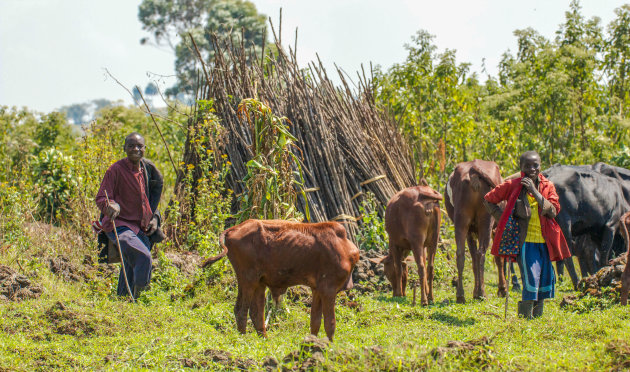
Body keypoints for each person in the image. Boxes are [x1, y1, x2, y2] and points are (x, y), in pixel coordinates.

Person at [483, 151, 571, 319]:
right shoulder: (512, 185)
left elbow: (553, 211)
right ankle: (525, 319)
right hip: (525, 242)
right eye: (527, 165)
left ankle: (536, 318)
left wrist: (534, 191)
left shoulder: (548, 186)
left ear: (540, 165)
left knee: (545, 277)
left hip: (544, 242)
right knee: (531, 277)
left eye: (535, 165)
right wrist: (502, 217)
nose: (532, 169)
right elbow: (488, 199)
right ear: (521, 167)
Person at [95, 132, 163, 298]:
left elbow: (150, 199)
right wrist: (111, 206)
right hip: (119, 225)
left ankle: (123, 299)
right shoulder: (115, 170)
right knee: (143, 256)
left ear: (144, 149)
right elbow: (101, 198)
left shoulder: (147, 170)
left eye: (139, 146)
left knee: (130, 263)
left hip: (139, 226)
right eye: (131, 145)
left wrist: (154, 218)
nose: (135, 149)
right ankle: (140, 296)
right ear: (124, 148)